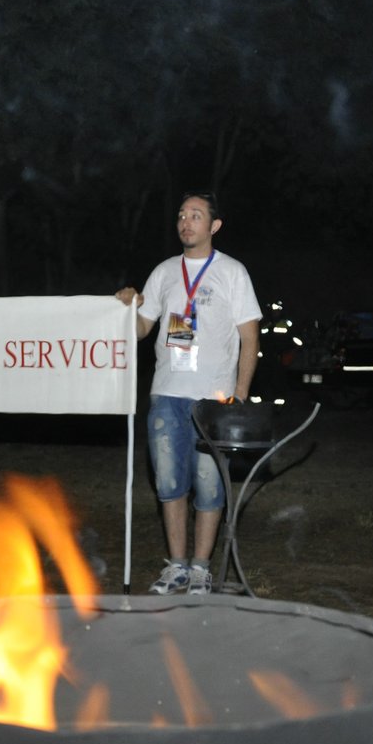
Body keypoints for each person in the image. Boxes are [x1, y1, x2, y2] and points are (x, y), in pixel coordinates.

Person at [117, 191, 262, 595]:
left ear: (214, 226)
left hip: (214, 400)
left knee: (209, 485)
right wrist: (127, 308)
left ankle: (201, 568)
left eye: (196, 215)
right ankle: (177, 567)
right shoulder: (164, 272)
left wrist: (240, 394)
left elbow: (250, 336)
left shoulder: (233, 272)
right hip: (167, 394)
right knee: (168, 483)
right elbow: (142, 329)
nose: (186, 222)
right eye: (182, 215)